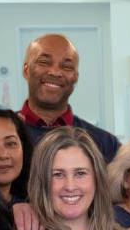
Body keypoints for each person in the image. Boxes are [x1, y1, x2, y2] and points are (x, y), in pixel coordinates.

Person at [19, 33, 120, 161]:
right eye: (44, 62)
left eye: (66, 67)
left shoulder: (105, 144)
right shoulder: (2, 137)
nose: (55, 72)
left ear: (76, 77)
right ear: (26, 70)